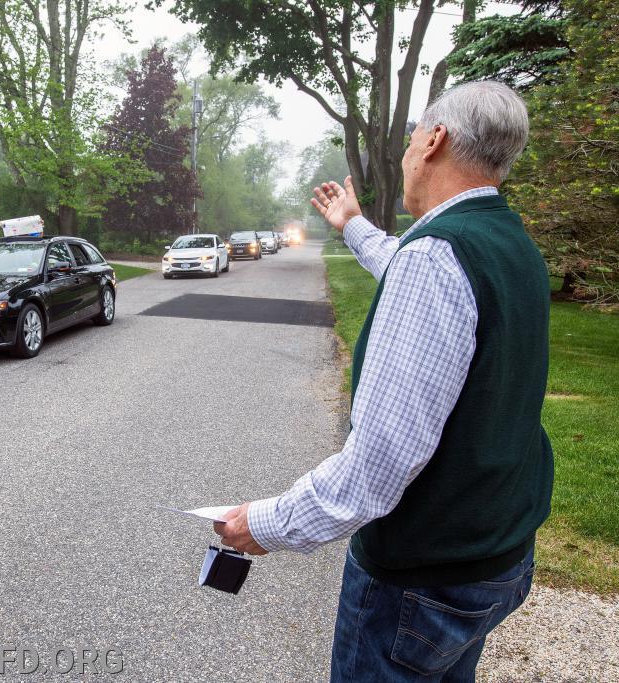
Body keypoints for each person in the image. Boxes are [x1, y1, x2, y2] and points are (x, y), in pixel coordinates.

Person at [214, 81, 554, 682]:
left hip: (423, 578)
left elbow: (380, 462)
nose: (404, 154)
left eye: (411, 138)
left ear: (434, 139)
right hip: (499, 554)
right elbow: (418, 272)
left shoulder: (440, 255)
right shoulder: (505, 240)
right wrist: (352, 225)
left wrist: (265, 524)